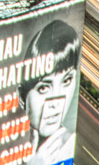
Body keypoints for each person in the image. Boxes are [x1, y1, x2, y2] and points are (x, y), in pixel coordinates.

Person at [22, 18, 81, 165]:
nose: (56, 102)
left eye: (66, 81)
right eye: (43, 88)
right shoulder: (5, 146)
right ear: (22, 97)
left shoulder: (67, 147)